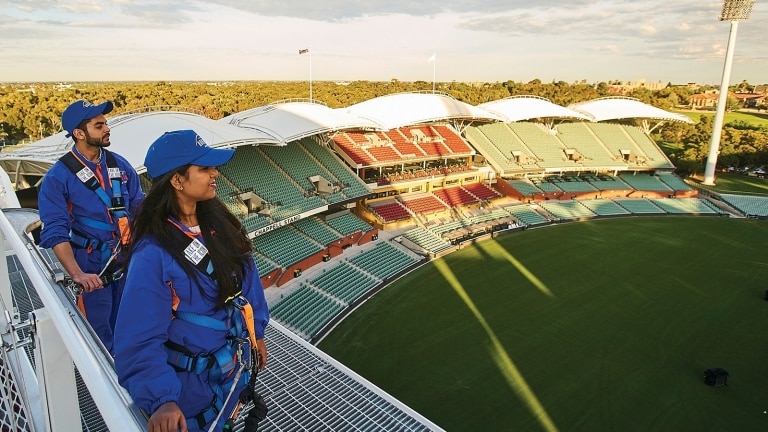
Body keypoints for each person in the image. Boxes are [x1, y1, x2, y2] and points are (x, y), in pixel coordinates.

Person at [114, 130, 269, 432]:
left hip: (229, 375)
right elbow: (139, 337)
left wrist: (256, 334)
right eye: (204, 168)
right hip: (189, 390)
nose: (216, 174)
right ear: (177, 180)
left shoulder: (221, 226)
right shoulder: (153, 254)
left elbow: (248, 283)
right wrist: (162, 400)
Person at [38, 99, 144, 354]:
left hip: (125, 258)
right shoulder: (58, 177)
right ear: (79, 133)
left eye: (106, 123)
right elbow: (55, 230)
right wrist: (77, 274)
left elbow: (139, 208)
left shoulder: (119, 165)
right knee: (98, 330)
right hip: (90, 263)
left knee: (130, 321)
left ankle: (132, 371)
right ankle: (108, 382)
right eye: (99, 125)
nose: (107, 129)